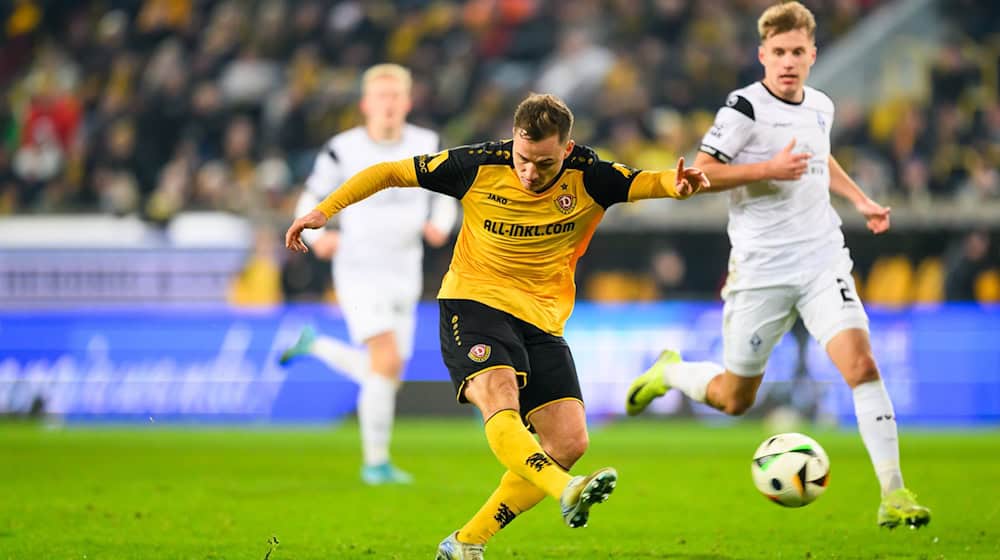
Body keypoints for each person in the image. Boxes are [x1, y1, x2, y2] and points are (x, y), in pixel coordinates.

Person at [286, 93, 710, 559]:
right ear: (513, 141)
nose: (530, 172)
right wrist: (323, 211)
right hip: (472, 302)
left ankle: (466, 542)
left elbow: (647, 182)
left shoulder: (590, 175)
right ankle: (564, 489)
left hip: (542, 318)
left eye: (544, 163)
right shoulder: (476, 164)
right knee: (499, 395)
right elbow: (390, 171)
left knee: (569, 441)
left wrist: (676, 185)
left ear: (566, 150)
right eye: (523, 159)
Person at [625, 1, 931, 530]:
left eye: (798, 52)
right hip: (760, 271)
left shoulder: (821, 106)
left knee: (862, 365)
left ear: (812, 55)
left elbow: (819, 156)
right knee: (733, 398)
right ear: (762, 54)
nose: (788, 61)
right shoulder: (741, 109)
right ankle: (670, 371)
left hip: (821, 258)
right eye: (779, 52)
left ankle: (894, 491)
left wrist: (859, 199)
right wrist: (769, 168)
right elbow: (701, 173)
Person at [278, 63, 457, 485]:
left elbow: (449, 192)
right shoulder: (343, 148)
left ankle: (316, 347)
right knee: (386, 361)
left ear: (408, 102)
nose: (390, 104)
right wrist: (320, 240)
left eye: (397, 96)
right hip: (359, 267)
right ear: (365, 104)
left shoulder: (427, 142)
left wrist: (442, 223)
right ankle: (375, 463)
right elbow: (310, 195)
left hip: (404, 269)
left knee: (387, 374)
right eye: (382, 96)